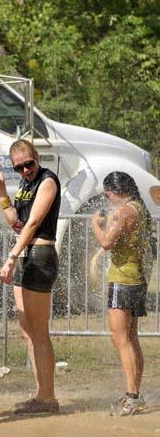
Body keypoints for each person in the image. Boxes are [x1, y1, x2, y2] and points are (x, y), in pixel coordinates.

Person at [0, 139, 60, 414]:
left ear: (36, 158)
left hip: (40, 256)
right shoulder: (25, 184)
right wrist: (2, 191)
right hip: (26, 254)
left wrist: (11, 256)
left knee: (40, 332)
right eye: (18, 168)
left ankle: (49, 398)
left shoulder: (47, 181)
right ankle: (41, 394)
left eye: (28, 164)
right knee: (27, 331)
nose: (25, 171)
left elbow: (32, 224)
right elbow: (16, 221)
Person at [92, 171, 151, 416]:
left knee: (120, 338)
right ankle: (135, 393)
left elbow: (106, 243)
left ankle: (132, 395)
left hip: (123, 280)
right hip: (136, 278)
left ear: (115, 192)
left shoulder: (124, 211)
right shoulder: (139, 208)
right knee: (131, 337)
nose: (108, 200)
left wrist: (96, 224)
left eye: (108, 195)